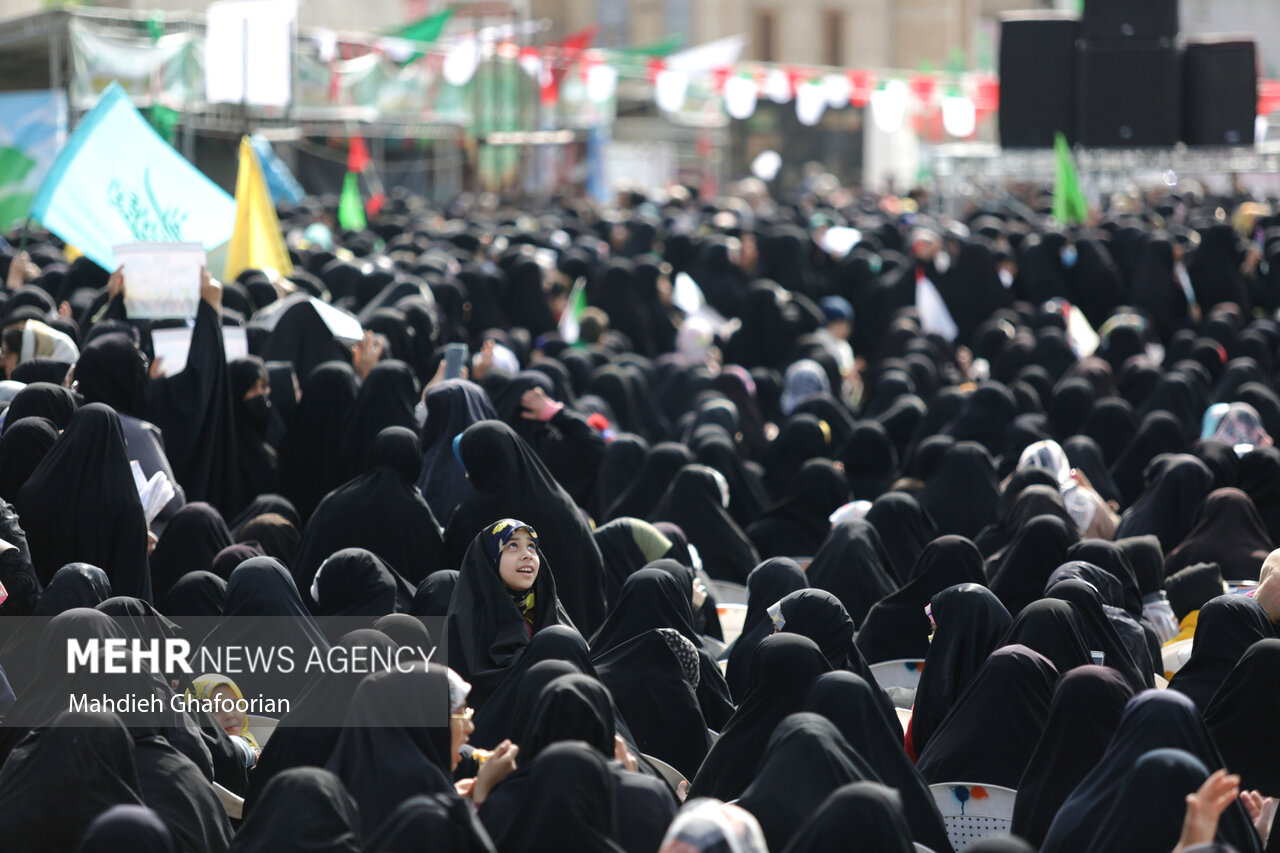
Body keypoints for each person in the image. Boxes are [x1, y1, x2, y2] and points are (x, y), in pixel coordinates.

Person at [446, 518, 574, 708]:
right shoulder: (468, 623)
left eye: (532, 546)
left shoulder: (549, 612)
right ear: (491, 557)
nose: (527, 555)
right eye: (512, 545)